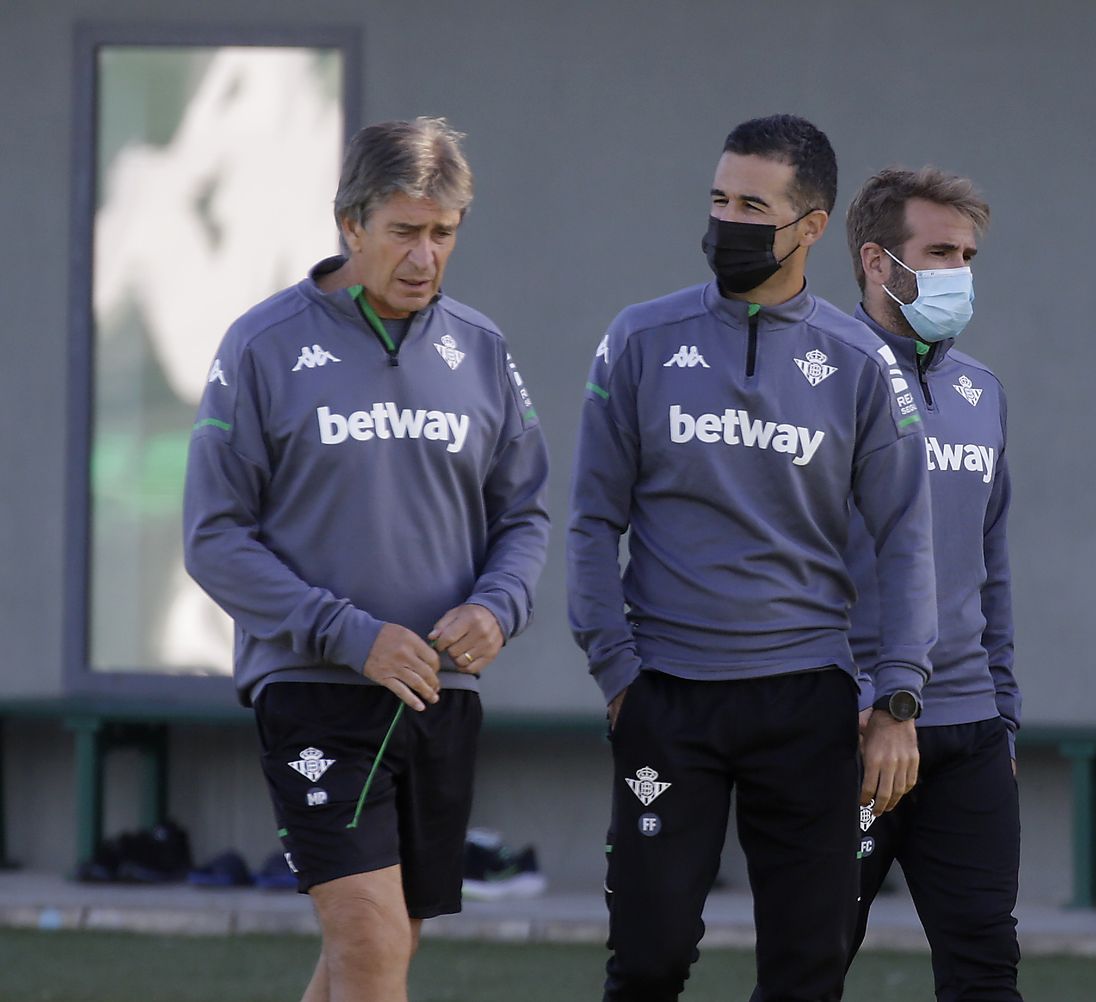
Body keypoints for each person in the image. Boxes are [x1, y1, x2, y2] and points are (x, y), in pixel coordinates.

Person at [567, 114, 937, 1002]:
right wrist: (618, 672)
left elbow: (907, 538)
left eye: (753, 205)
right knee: (647, 962)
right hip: (667, 700)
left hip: (806, 704)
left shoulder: (863, 363)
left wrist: (897, 698)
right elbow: (588, 522)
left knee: (807, 970)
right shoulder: (640, 339)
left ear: (811, 227)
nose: (727, 221)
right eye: (719, 199)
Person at [183, 117, 551, 1002]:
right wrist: (348, 635)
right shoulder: (262, 345)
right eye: (405, 232)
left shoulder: (484, 350)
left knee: (379, 950)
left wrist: (498, 607)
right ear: (351, 224)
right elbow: (213, 537)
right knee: (370, 938)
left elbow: (526, 515)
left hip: (439, 693)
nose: (426, 257)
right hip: (315, 689)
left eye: (444, 234)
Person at [837, 166, 1022, 1000]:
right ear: (878, 262)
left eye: (968, 255)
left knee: (986, 970)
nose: (959, 274)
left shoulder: (983, 392)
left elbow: (993, 565)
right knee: (809, 966)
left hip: (968, 730)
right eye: (938, 252)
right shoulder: (820, 377)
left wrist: (1005, 718)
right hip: (853, 727)